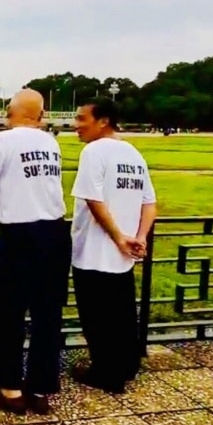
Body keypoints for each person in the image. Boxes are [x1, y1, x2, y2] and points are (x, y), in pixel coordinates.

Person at [0, 89, 71, 415]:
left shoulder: (4, 142)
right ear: (40, 115)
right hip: (54, 233)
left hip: (20, 238)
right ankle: (39, 389)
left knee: (7, 314)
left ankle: (10, 390)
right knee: (47, 315)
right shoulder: (50, 142)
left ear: (11, 111)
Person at [70, 98, 158, 394]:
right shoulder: (132, 152)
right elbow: (149, 202)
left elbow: (93, 200)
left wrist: (119, 237)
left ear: (103, 120)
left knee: (98, 317)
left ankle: (106, 373)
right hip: (124, 255)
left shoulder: (94, 151)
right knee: (121, 314)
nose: (76, 125)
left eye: (82, 119)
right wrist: (140, 236)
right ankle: (126, 365)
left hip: (95, 251)